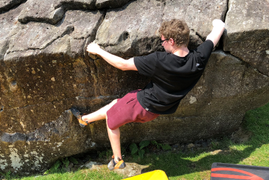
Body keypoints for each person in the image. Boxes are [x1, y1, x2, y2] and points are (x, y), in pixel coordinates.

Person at [70, 19, 225, 170]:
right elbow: (216, 31)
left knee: (111, 120)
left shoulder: (159, 60)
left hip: (141, 106)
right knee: (117, 103)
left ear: (171, 41)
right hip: (157, 107)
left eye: (162, 41)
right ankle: (85, 120)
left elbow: (123, 65)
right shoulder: (199, 58)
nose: (161, 44)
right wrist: (217, 24)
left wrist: (97, 50)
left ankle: (117, 159)